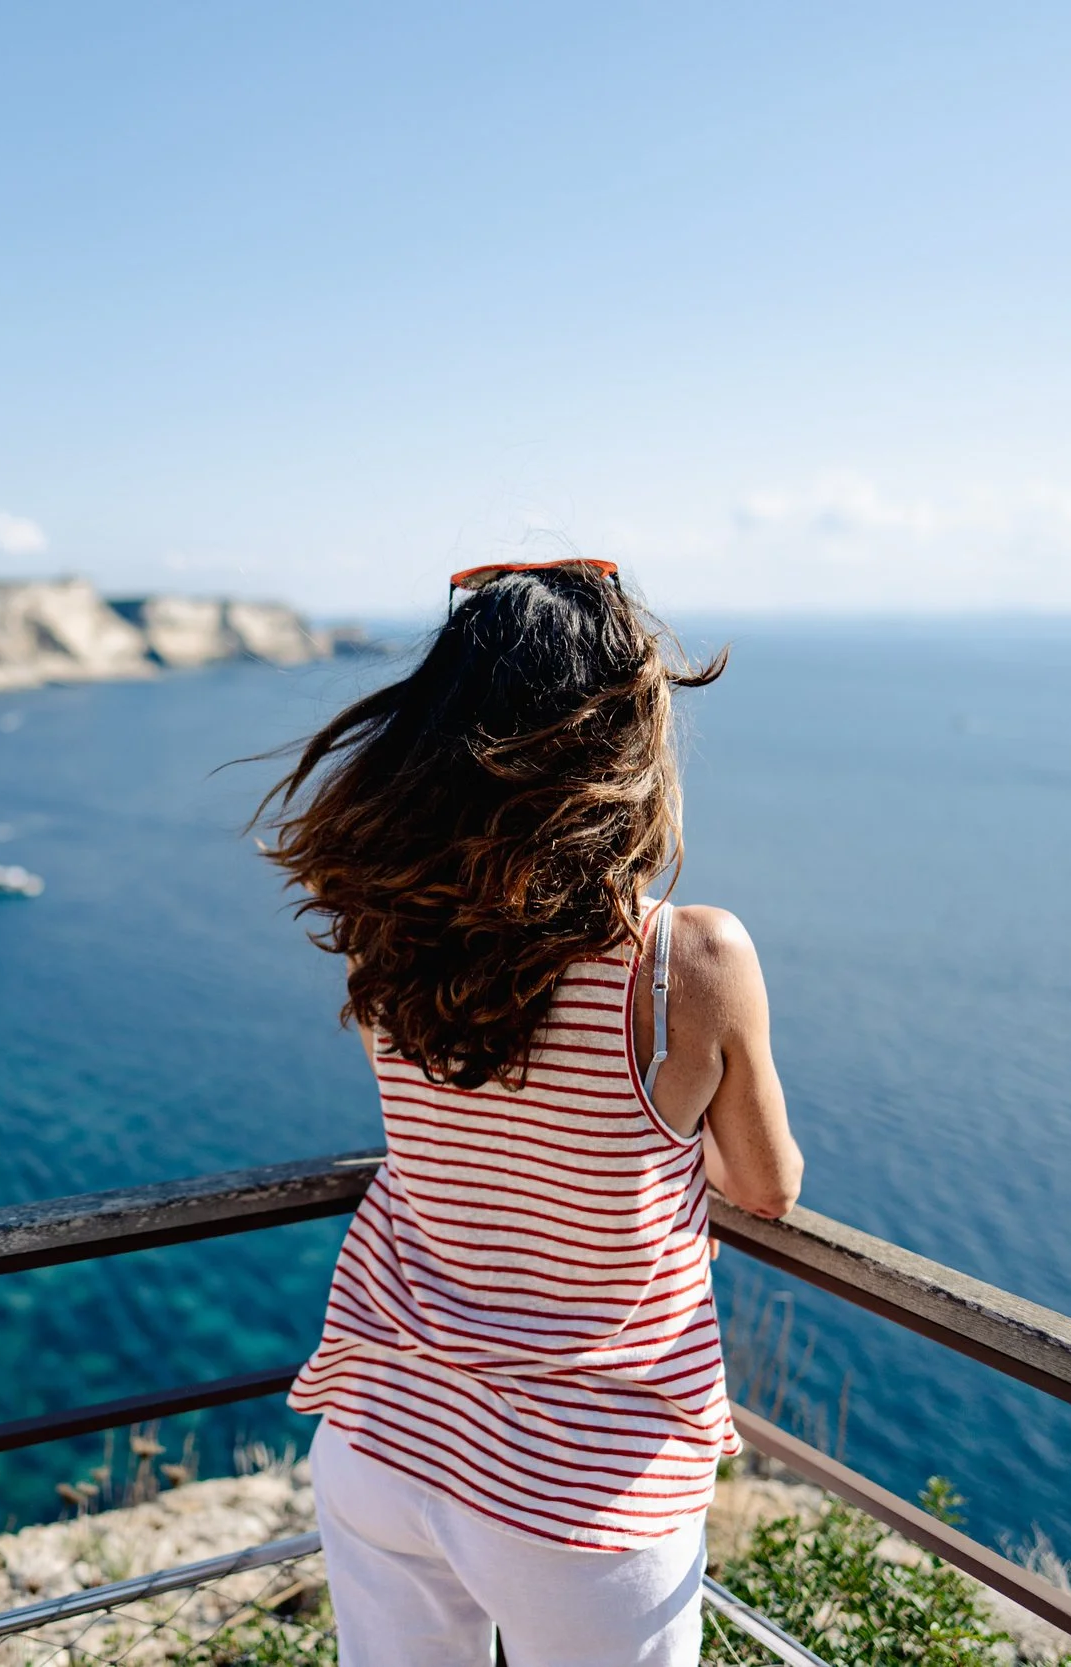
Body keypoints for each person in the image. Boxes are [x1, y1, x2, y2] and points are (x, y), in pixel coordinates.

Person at [257, 559, 802, 1667]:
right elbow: (764, 1185)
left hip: (386, 1431)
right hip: (584, 1487)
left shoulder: (391, 936)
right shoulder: (685, 958)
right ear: (619, 740)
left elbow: (454, 1121)